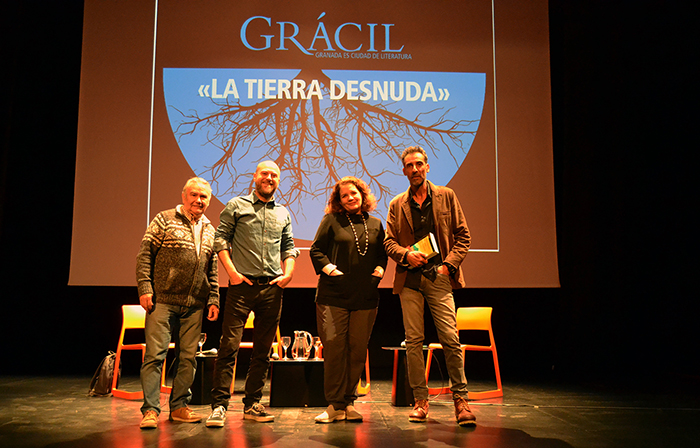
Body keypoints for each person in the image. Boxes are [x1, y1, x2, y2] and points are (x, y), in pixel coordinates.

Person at [384, 146, 476, 426]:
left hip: (439, 277)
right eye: (409, 165)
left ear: (427, 167)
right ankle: (420, 401)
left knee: (450, 339)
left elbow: (464, 236)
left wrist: (448, 266)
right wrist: (405, 254)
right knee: (414, 342)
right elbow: (388, 242)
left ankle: (461, 401)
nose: (414, 169)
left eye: (419, 164)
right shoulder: (397, 203)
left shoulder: (447, 196)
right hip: (410, 280)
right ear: (404, 171)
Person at [205, 160, 299, 427]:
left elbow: (289, 245)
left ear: (278, 181)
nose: (270, 178)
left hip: (272, 288)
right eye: (265, 173)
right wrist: (232, 273)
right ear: (255, 177)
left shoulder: (283, 212)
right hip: (241, 287)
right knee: (228, 347)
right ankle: (219, 406)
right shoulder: (236, 205)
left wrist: (289, 272)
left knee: (263, 351)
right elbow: (220, 239)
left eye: (274, 175)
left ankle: (251, 404)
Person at [136, 177, 220, 429]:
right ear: (184, 196)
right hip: (163, 300)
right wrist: (145, 287)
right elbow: (144, 254)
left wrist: (213, 298)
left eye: (204, 197)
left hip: (194, 304)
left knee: (188, 358)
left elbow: (212, 268)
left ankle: (180, 407)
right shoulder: (164, 219)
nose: (199, 200)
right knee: (154, 356)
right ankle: (150, 411)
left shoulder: (210, 228)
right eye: (194, 195)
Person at [309, 177, 388, 423]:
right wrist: (330, 269)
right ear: (338, 201)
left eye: (354, 193)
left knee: (357, 351)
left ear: (362, 195)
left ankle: (349, 402)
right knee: (334, 347)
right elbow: (316, 250)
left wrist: (379, 271)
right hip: (333, 295)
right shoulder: (331, 221)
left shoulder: (375, 223)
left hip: (365, 296)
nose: (350, 198)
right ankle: (334, 404)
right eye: (344, 196)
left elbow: (382, 255)